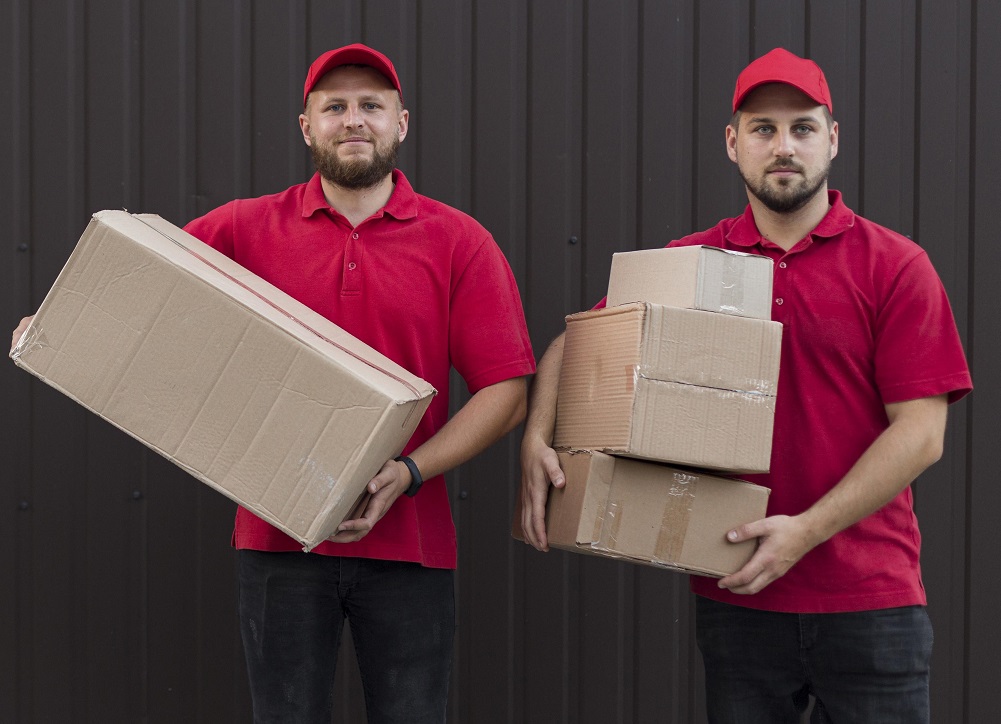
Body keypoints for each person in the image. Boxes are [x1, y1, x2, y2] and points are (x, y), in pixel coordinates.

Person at [13, 43, 536, 724]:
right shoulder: (242, 228)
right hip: (275, 544)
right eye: (335, 107)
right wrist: (58, 324)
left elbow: (505, 390)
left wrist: (406, 473)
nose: (354, 120)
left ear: (401, 123)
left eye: (371, 106)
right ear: (306, 126)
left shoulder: (459, 242)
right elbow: (142, 289)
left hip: (410, 544)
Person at [519, 47, 972, 723]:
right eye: (762, 128)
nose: (782, 146)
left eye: (802, 128)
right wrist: (536, 434)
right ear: (733, 144)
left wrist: (805, 531)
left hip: (869, 600)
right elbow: (578, 343)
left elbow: (921, 432)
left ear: (832, 139)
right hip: (737, 599)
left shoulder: (894, 266)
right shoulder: (689, 266)